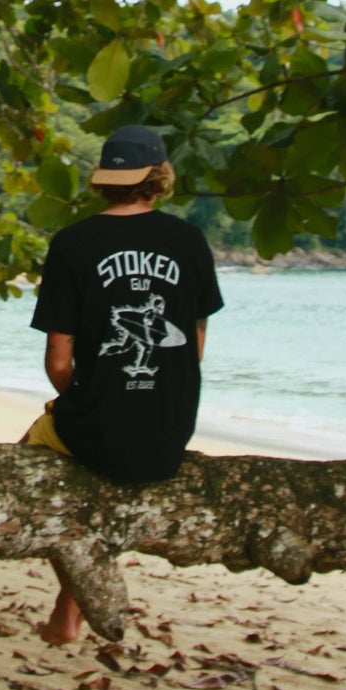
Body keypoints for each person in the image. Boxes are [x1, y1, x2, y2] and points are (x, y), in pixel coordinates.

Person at [25, 123, 223, 643]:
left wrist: (78, 400)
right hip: (170, 432)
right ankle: (67, 614)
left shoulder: (72, 243)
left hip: (97, 426)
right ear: (159, 177)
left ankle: (71, 605)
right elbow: (194, 346)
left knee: (32, 456)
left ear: (104, 180)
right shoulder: (189, 240)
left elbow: (58, 359)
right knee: (106, 482)